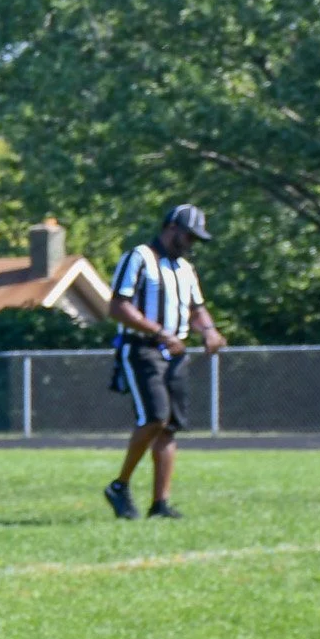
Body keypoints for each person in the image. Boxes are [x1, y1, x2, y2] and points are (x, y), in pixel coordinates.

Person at [103, 203, 226, 520]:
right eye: (189, 235)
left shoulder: (185, 269)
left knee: (169, 427)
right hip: (142, 349)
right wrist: (160, 333)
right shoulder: (140, 258)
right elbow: (118, 307)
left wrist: (210, 332)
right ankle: (120, 485)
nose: (192, 243)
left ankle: (160, 504)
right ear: (171, 227)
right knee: (155, 417)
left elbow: (197, 309)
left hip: (175, 354)